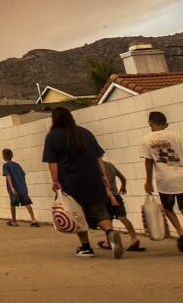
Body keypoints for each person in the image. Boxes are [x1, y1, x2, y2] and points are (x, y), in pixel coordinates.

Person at [42, 106, 123, 259]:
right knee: (99, 211)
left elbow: (53, 162)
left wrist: (55, 181)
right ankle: (110, 233)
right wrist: (103, 176)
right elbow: (98, 157)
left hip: (71, 181)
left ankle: (86, 247)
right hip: (93, 178)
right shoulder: (85, 133)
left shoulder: (53, 136)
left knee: (77, 214)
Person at [141, 110, 183, 255]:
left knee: (168, 209)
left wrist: (148, 181)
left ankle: (181, 233)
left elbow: (148, 161)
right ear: (166, 124)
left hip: (165, 182)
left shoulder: (146, 139)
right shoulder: (176, 135)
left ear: (150, 123)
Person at [95, 159, 144, 252]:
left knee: (106, 220)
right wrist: (123, 186)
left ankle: (109, 243)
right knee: (123, 217)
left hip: (104, 197)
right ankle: (134, 239)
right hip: (116, 196)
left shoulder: (95, 168)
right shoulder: (110, 165)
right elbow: (123, 178)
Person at [1, 149, 41, 227]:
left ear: (4, 157)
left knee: (13, 203)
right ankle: (33, 220)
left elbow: (8, 176)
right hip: (22, 187)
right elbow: (23, 175)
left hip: (14, 188)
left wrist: (12, 187)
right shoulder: (17, 165)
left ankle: (14, 221)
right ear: (11, 155)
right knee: (27, 203)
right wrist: (23, 185)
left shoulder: (6, 165)